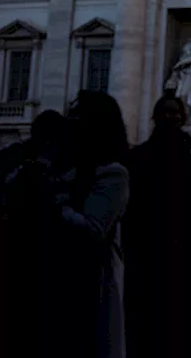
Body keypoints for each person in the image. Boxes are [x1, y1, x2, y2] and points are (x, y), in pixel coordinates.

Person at [58, 91, 131, 358]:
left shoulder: (112, 172)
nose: (70, 122)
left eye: (78, 117)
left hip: (91, 277)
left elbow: (93, 230)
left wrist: (50, 202)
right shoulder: (64, 166)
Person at [123, 95, 191, 358]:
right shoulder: (141, 156)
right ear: (155, 117)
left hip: (178, 249)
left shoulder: (185, 156)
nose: (172, 117)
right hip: (147, 247)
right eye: (167, 113)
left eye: (176, 113)